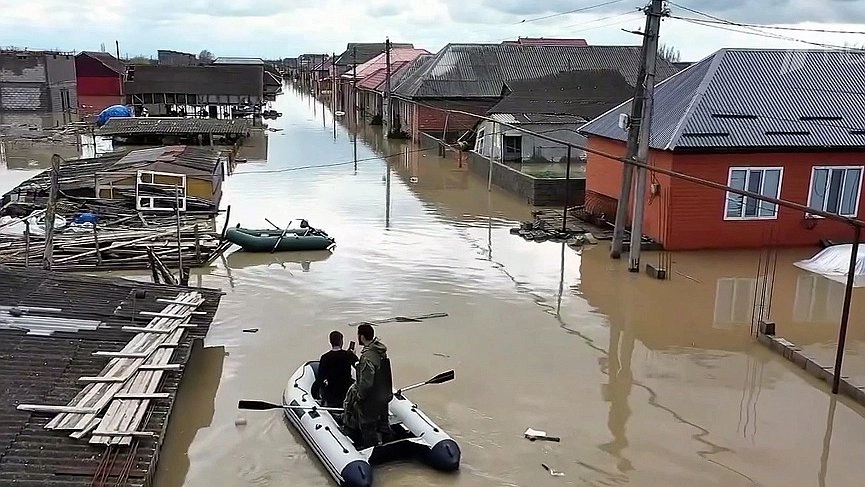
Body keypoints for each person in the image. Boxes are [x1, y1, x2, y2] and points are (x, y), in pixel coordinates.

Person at [342, 324, 393, 448]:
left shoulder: (367, 357)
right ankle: (388, 441)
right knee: (383, 423)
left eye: (359, 335)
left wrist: (359, 397)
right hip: (383, 393)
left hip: (371, 398)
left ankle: (372, 449)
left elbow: (366, 382)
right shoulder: (380, 351)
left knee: (367, 425)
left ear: (362, 336)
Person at [311, 331, 358, 408]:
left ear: (330, 342)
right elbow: (359, 367)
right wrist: (354, 355)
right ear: (341, 342)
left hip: (332, 392)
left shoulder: (325, 357)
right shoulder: (348, 355)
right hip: (346, 391)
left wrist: (314, 394)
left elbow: (320, 378)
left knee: (324, 387)